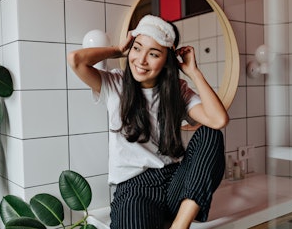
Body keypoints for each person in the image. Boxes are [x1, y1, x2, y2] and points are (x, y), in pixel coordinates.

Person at [67, 14, 228, 229]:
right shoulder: (115, 83)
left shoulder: (178, 91)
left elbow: (218, 120)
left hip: (173, 183)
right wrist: (117, 50)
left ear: (166, 60)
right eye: (137, 48)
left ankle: (180, 225)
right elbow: (75, 60)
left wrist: (193, 72)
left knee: (211, 134)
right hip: (135, 188)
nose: (141, 60)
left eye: (153, 54)